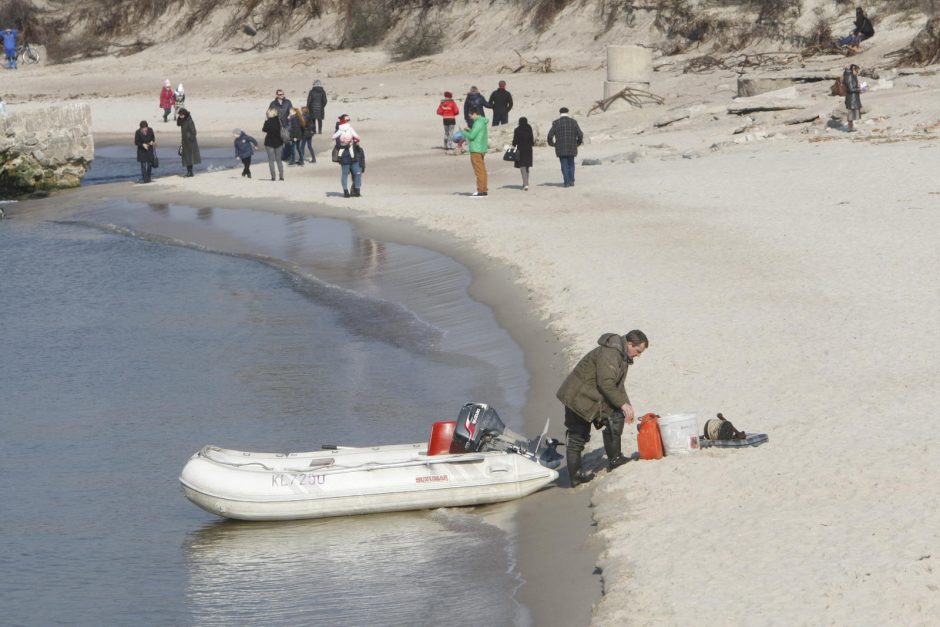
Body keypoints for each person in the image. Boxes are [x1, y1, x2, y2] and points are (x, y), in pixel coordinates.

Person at [556, 330, 649, 487]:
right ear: (629, 344)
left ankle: (615, 459)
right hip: (578, 397)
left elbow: (617, 385)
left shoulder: (622, 355)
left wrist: (627, 405)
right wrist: (623, 405)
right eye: (638, 351)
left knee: (617, 416)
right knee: (577, 437)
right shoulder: (610, 354)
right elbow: (606, 384)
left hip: (592, 396)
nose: (638, 355)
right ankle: (575, 476)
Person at [546, 107, 584, 188]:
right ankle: (571, 181)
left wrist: (552, 144)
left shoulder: (556, 123)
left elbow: (550, 135)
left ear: (560, 113)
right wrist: (577, 143)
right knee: (571, 163)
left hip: (560, 147)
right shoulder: (573, 122)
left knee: (564, 164)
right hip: (572, 146)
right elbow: (580, 134)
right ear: (568, 112)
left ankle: (566, 182)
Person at [464, 107, 489, 197]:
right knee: (482, 170)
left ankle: (481, 191)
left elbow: (471, 136)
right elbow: (475, 133)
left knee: (479, 171)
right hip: (481, 148)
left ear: (474, 114)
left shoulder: (478, 122)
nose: (470, 118)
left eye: (470, 116)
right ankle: (484, 190)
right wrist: (469, 130)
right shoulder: (482, 122)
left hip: (476, 149)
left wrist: (463, 132)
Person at [262, 106, 285, 181]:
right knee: (279, 160)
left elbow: (264, 129)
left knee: (271, 160)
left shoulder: (268, 121)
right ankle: (281, 176)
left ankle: (273, 177)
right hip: (279, 142)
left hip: (269, 142)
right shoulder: (279, 120)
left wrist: (266, 121)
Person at [511, 117, 534, 191]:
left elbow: (515, 141)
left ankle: (525, 184)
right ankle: (526, 183)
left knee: (522, 167)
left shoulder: (517, 129)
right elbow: (532, 140)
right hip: (529, 149)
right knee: (527, 166)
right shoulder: (529, 128)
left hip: (520, 149)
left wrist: (513, 145)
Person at [176, 108, 200, 177]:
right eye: (180, 115)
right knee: (186, 158)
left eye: (181, 115)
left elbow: (194, 132)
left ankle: (190, 172)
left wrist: (189, 137)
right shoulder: (182, 120)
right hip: (184, 142)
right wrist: (179, 118)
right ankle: (189, 172)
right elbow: (178, 124)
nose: (180, 116)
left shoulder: (189, 121)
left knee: (189, 158)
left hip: (190, 143)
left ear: (185, 114)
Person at [844, 64, 862, 132]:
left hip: (852, 97)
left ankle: (851, 128)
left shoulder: (851, 76)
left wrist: (858, 88)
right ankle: (850, 128)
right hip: (851, 98)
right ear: (853, 69)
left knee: (851, 113)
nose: (857, 72)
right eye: (857, 71)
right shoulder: (849, 76)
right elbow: (851, 89)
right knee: (850, 113)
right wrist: (858, 90)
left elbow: (852, 87)